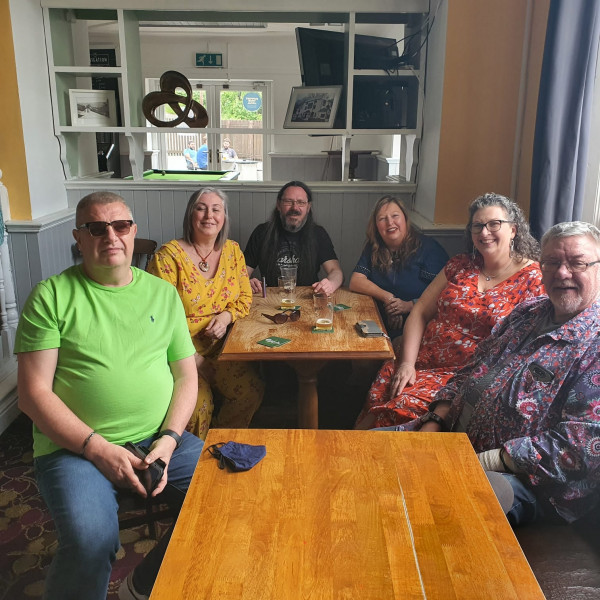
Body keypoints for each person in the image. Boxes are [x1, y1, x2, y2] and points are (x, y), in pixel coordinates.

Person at [15, 191, 202, 600]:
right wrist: (97, 448)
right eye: (97, 228)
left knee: (230, 499)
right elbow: (32, 394)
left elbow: (186, 376)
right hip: (73, 449)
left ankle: (143, 583)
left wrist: (170, 439)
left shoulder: (163, 294)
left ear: (133, 231)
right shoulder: (51, 296)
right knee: (91, 541)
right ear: (79, 238)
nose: (111, 236)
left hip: (157, 439)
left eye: (120, 226)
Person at [394, 221, 600, 526]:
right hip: (453, 441)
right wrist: (435, 421)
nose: (562, 272)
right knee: (362, 453)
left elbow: (582, 447)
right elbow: (469, 369)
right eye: (552, 262)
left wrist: (486, 461)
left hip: (525, 482)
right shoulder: (527, 312)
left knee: (427, 506)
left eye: (577, 263)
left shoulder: (594, 343)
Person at [355, 192, 544, 429]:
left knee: (394, 414)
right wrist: (406, 364)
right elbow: (420, 311)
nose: (484, 232)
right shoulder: (460, 264)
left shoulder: (534, 279)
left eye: (494, 224)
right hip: (418, 359)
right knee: (374, 405)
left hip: (462, 376)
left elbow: (526, 350)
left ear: (513, 230)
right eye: (477, 226)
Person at [148, 188, 263, 440]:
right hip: (178, 354)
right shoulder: (168, 258)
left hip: (221, 349)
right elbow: (156, 319)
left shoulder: (233, 251)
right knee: (199, 406)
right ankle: (192, 458)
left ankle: (219, 445)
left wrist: (226, 316)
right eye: (201, 208)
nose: (209, 215)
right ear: (190, 215)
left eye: (216, 209)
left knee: (250, 392)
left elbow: (245, 297)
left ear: (224, 217)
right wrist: (196, 361)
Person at [349, 195, 448, 339]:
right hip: (380, 321)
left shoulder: (429, 248)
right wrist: (389, 299)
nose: (390, 222)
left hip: (420, 325)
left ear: (405, 219)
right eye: (382, 219)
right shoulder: (374, 247)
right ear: (376, 226)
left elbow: (445, 292)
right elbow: (356, 281)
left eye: (395, 216)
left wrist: (408, 306)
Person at [244, 180, 344, 295]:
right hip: (269, 298)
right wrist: (246, 282)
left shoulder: (318, 233)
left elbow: (336, 272)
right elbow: (242, 273)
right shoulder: (261, 232)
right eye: (288, 201)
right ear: (278, 205)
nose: (295, 208)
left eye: (301, 202)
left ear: (308, 207)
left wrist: (330, 284)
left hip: (307, 298)